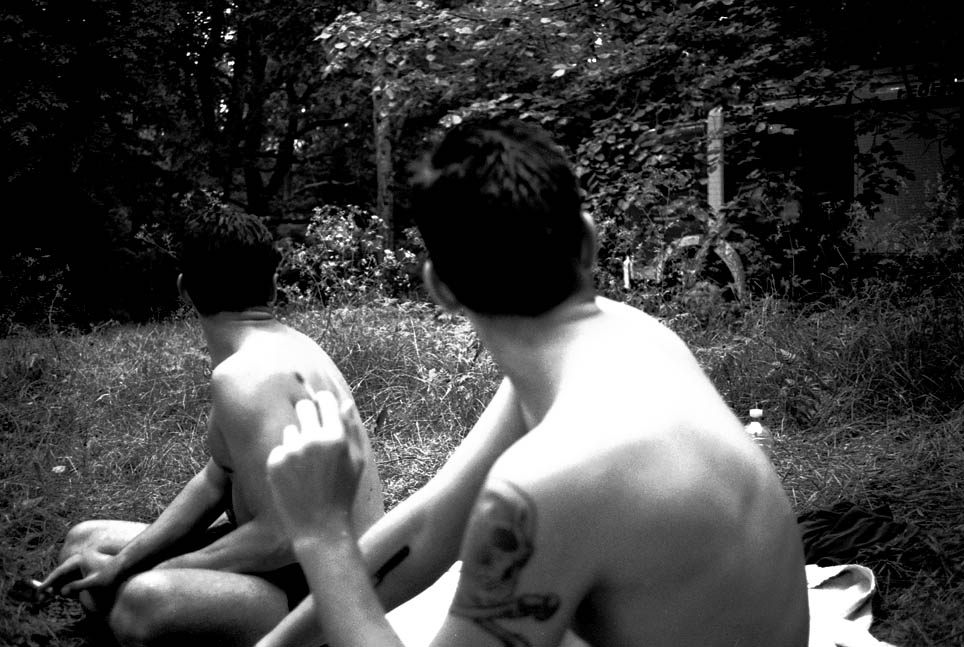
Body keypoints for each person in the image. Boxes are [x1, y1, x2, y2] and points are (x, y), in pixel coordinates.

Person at [258, 118, 810, 647]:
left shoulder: (549, 478)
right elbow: (430, 525)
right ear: (589, 242)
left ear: (440, 289)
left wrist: (322, 535)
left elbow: (412, 536)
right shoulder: (634, 338)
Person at [39, 206, 385, 646]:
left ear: (184, 288)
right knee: (84, 540)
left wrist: (151, 572)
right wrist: (123, 563)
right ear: (273, 284)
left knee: (141, 601)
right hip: (287, 559)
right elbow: (216, 480)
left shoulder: (247, 374)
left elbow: (282, 536)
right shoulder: (271, 350)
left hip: (328, 585)